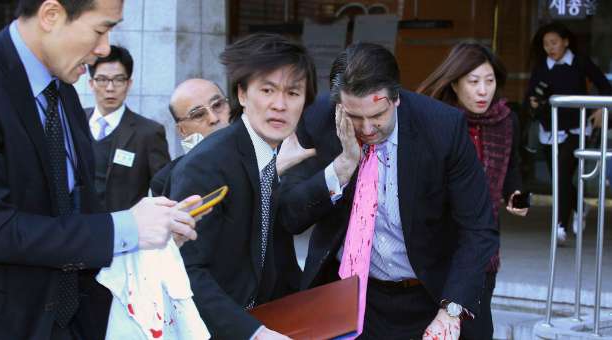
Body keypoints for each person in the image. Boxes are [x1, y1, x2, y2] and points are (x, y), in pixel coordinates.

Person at [0, 0, 197, 338]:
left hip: (79, 320)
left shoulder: (63, 94)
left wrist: (146, 234)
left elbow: (75, 213)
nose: (103, 49)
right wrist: (123, 229)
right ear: (51, 15)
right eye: (101, 30)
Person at [278, 42, 498, 339]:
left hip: (430, 294)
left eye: (377, 115)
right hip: (351, 298)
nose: (367, 129)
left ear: (395, 99)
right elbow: (291, 216)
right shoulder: (319, 121)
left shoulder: (442, 128)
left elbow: (479, 228)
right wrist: (342, 167)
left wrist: (451, 310)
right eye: (355, 117)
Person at [168, 33, 317, 339]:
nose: (279, 105)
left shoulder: (263, 155)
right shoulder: (207, 166)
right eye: (267, 90)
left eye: (293, 93)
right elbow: (186, 269)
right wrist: (254, 332)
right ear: (242, 95)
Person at [417, 42, 529, 339]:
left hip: (481, 251)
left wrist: (516, 193)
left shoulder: (507, 121)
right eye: (474, 82)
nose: (483, 91)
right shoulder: (435, 122)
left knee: (477, 331)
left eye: (489, 82)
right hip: (436, 250)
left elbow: (512, 166)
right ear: (454, 83)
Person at [526, 22, 612, 243]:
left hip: (576, 127)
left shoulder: (579, 62)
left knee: (563, 172)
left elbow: (606, 86)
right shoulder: (542, 66)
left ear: (565, 42)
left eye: (554, 43)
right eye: (546, 44)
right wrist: (534, 103)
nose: (550, 48)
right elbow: (530, 95)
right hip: (550, 128)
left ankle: (560, 226)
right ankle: (579, 205)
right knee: (559, 177)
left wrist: (601, 112)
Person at [86, 44, 170, 211]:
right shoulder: (74, 120)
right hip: (79, 229)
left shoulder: (149, 133)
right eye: (102, 79)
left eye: (118, 80)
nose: (110, 88)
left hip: (126, 231)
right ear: (91, 83)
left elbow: (165, 189)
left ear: (129, 83)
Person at [150, 78, 231, 195]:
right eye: (198, 115)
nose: (214, 118)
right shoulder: (166, 181)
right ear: (182, 130)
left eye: (217, 105)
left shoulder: (261, 154)